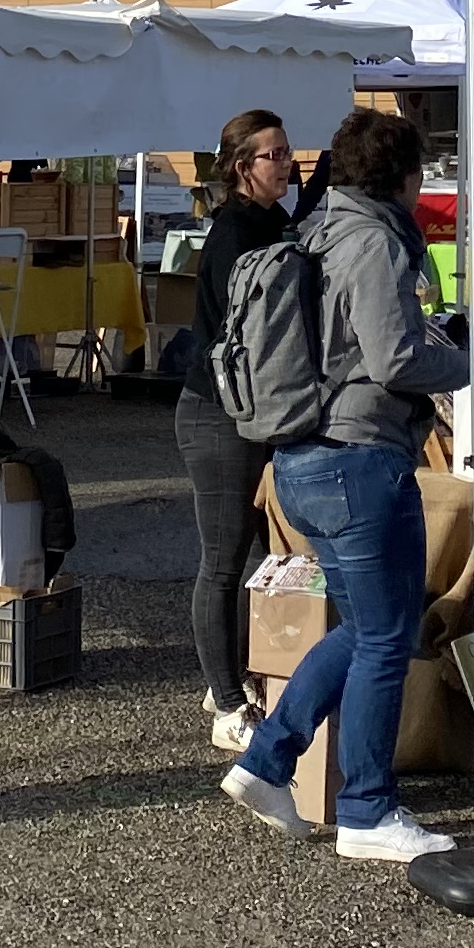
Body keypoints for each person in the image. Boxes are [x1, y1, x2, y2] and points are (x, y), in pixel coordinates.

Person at [218, 105, 469, 868]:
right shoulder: (375, 241)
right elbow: (395, 358)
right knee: (388, 635)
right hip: (358, 460)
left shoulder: (318, 228)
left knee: (363, 627)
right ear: (407, 177)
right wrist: (468, 361)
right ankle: (367, 808)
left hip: (300, 459)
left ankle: (267, 762)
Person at [180, 107, 302, 754]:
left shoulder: (273, 221)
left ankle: (225, 676)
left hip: (255, 412)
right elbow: (247, 335)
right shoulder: (234, 232)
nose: (287, 164)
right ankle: (226, 704)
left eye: (287, 153)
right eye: (273, 155)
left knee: (270, 554)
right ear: (239, 166)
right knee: (223, 561)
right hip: (218, 414)